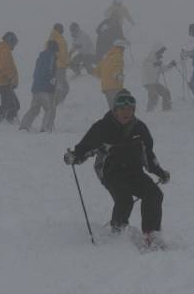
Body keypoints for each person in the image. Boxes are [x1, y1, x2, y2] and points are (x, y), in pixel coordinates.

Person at [63, 89, 170, 246]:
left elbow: (148, 155)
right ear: (115, 110)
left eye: (130, 109)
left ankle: (151, 234)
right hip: (110, 172)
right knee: (124, 199)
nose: (126, 113)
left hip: (134, 171)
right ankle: (118, 232)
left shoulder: (140, 129)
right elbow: (85, 148)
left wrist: (159, 172)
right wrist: (74, 157)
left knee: (154, 194)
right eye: (122, 109)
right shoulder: (102, 127)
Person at [19, 40, 58, 133]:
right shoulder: (51, 56)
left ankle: (24, 126)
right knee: (49, 109)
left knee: (34, 109)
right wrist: (52, 80)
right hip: (45, 88)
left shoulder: (41, 57)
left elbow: (36, 72)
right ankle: (46, 128)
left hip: (36, 87)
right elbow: (48, 70)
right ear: (54, 49)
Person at [0, 31, 20, 124]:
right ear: (9, 40)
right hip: (4, 82)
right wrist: (11, 76)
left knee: (14, 105)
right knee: (8, 105)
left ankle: (8, 121)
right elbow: (5, 66)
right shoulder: (4, 50)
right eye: (14, 42)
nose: (14, 45)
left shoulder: (1, 50)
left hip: (4, 82)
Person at [141, 42, 176, 112]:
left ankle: (167, 110)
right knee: (154, 96)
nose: (162, 53)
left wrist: (170, 65)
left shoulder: (157, 59)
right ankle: (149, 112)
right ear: (156, 50)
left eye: (162, 52)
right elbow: (147, 69)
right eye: (161, 51)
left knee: (166, 92)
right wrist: (155, 65)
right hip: (148, 82)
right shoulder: (149, 58)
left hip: (155, 82)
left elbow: (161, 69)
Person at [94, 38, 127, 109]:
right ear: (121, 48)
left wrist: (105, 77)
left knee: (112, 108)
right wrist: (120, 84)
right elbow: (117, 72)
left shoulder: (106, 56)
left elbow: (97, 71)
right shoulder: (118, 57)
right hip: (114, 86)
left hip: (105, 87)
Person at [47, 23, 70, 105]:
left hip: (54, 66)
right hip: (59, 66)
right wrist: (67, 62)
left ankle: (55, 102)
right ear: (58, 29)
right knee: (62, 86)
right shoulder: (59, 40)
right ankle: (56, 103)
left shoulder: (51, 39)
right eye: (62, 28)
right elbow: (62, 54)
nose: (63, 30)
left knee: (59, 86)